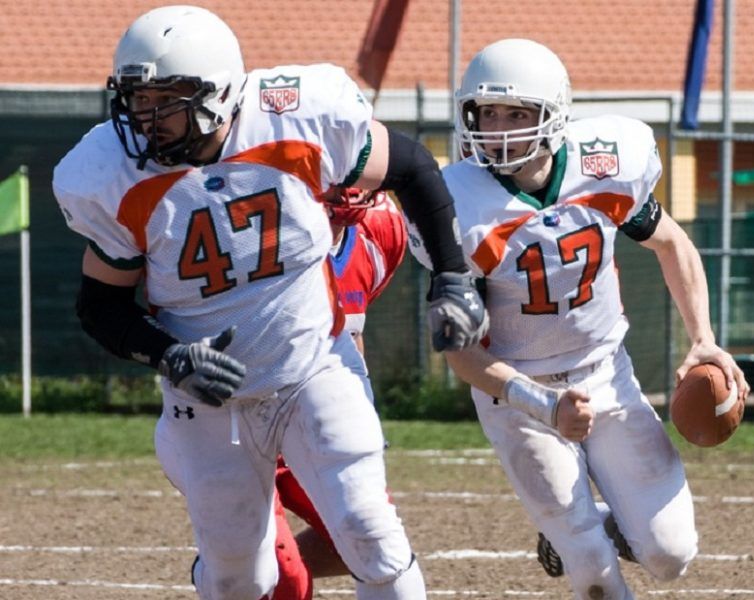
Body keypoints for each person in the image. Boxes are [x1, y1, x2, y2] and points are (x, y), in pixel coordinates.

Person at [51, 6, 488, 600]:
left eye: (166, 100)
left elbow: (410, 165)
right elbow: (101, 304)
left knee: (372, 537)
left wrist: (452, 276)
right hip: (210, 399)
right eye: (137, 98)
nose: (146, 118)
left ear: (219, 94)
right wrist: (167, 354)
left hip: (314, 367)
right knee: (242, 578)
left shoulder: (296, 117)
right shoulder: (110, 174)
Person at [407, 38, 749, 599]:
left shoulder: (604, 166)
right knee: (590, 568)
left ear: (554, 115)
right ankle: (577, 538)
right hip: (517, 395)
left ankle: (603, 525)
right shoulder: (457, 205)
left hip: (604, 374)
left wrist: (703, 339)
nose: (498, 130)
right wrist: (544, 405)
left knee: (670, 555)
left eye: (517, 114)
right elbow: (460, 354)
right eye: (487, 114)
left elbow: (672, 244)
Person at [272, 187, 408, 599]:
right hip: (246, 425)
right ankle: (237, 570)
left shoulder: (381, 229)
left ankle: (244, 572)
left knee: (374, 543)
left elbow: (350, 331)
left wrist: (358, 414)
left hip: (319, 423)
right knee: (286, 583)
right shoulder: (262, 224)